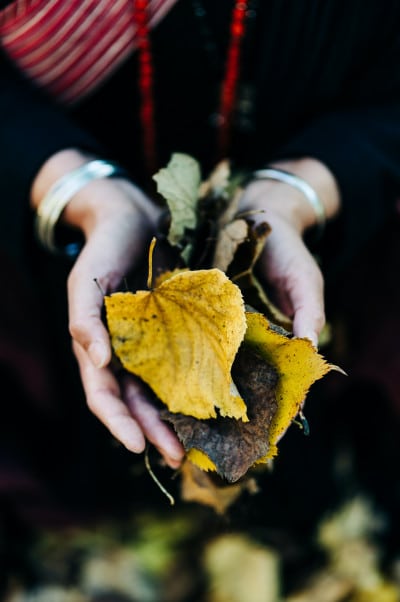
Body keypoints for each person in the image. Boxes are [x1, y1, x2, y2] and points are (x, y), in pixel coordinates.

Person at [0, 0, 399, 515]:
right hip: (53, 226)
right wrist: (81, 192)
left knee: (336, 437)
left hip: (348, 216)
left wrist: (299, 191)